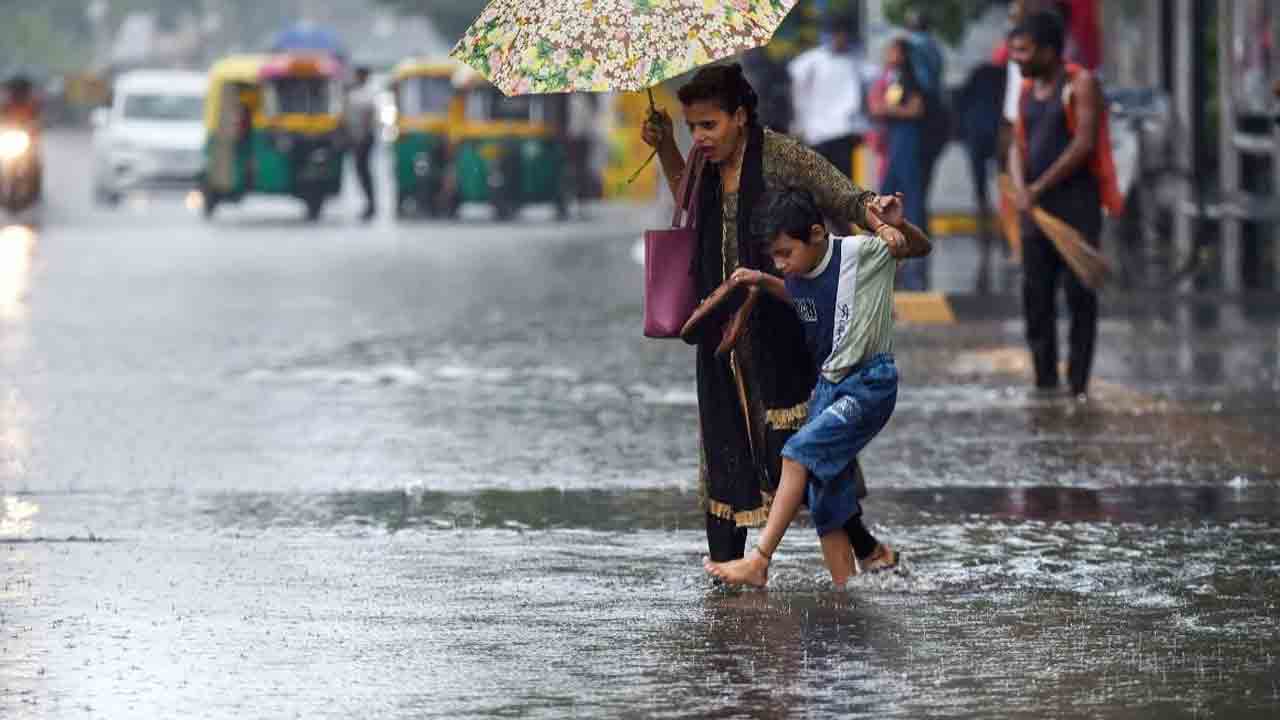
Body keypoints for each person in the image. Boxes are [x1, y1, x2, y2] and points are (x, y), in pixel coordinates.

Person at [640, 64, 903, 571]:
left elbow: (841, 193)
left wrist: (879, 215)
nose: (700, 137)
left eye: (709, 125)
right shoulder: (702, 162)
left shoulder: (781, 155)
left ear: (740, 116)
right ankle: (727, 570)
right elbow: (688, 206)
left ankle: (863, 550)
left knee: (802, 448)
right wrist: (667, 146)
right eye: (692, 127)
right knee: (724, 446)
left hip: (781, 326)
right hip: (720, 329)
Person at [704, 188, 931, 587]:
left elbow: (918, 248)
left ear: (815, 233)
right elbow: (797, 296)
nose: (781, 264)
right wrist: (763, 280)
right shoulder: (796, 274)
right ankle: (846, 592)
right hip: (828, 387)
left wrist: (898, 227)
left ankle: (759, 561)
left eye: (785, 253)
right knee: (826, 496)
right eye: (774, 256)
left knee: (796, 454)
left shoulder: (860, 253)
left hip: (868, 384)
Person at [1008, 11, 1121, 398]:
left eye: (1024, 51)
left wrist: (1038, 187)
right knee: (1036, 298)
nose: (1016, 59)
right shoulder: (1026, 90)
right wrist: (1021, 188)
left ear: (1048, 50)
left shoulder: (1079, 83)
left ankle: (1077, 386)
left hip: (1076, 206)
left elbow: (1083, 143)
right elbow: (1016, 144)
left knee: (1079, 295)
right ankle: (1045, 383)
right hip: (1035, 213)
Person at [869, 38, 928, 290]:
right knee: (888, 191)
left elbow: (915, 110)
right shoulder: (890, 78)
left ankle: (914, 242)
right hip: (894, 141)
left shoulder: (909, 79)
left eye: (893, 51)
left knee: (909, 193)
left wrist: (887, 110)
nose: (888, 54)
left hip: (907, 140)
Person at [787, 13, 869, 180]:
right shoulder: (811, 61)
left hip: (844, 131)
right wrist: (798, 122)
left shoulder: (855, 62)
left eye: (844, 33)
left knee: (843, 182)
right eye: (837, 33)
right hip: (817, 132)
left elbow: (869, 86)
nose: (841, 38)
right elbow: (796, 87)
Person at [346, 66, 378, 221]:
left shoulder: (367, 94)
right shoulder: (353, 92)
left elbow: (368, 117)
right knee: (360, 171)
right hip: (355, 137)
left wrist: (362, 136)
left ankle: (371, 205)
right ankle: (369, 204)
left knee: (364, 171)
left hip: (364, 138)